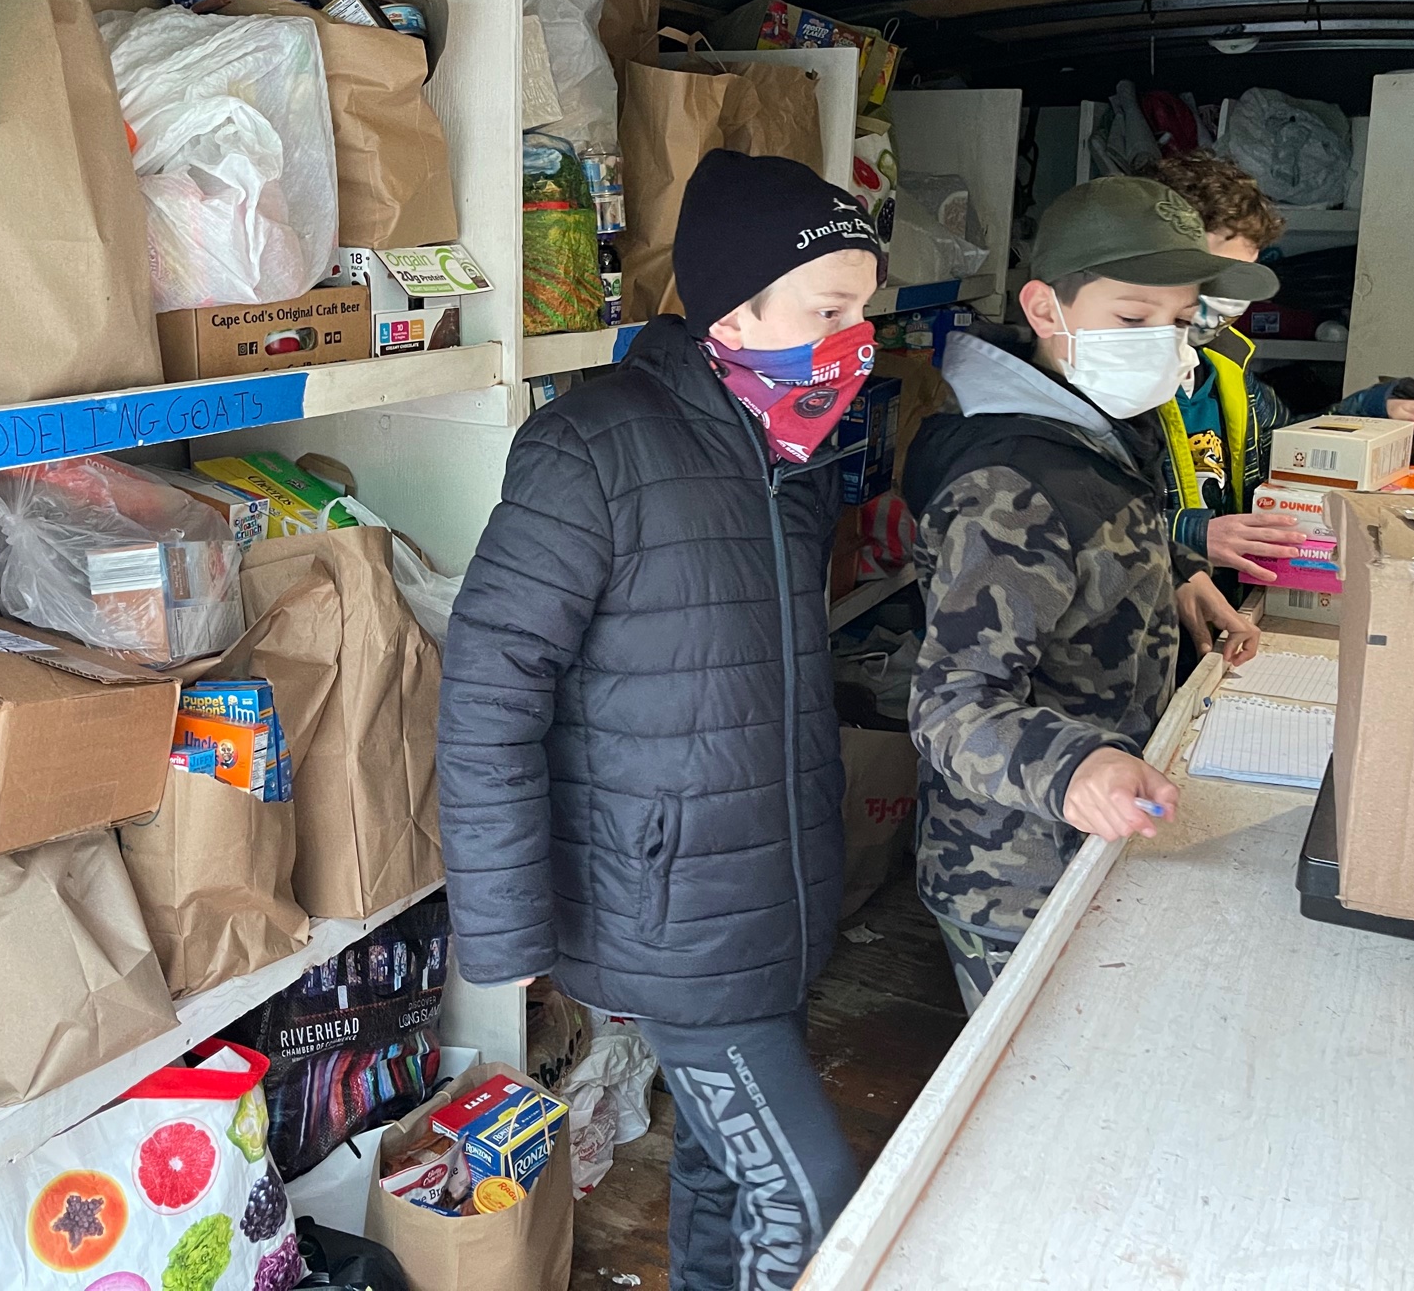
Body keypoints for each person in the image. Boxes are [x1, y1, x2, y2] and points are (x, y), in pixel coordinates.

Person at [437, 150, 879, 1291]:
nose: (854, 339)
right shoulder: (593, 447)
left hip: (764, 893)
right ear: (739, 307)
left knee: (732, 1173)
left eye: (862, 312)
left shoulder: (788, 455)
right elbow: (490, 692)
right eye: (830, 310)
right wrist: (505, 936)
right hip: (667, 907)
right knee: (812, 1192)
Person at [903, 177, 1265, 1012]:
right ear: (1043, 308)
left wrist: (1175, 578)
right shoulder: (1009, 485)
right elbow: (952, 707)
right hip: (1015, 871)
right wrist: (1076, 766)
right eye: (1134, 319)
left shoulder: (1082, 424)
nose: (1166, 346)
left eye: (1181, 322)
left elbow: (1080, 550)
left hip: (1092, 831)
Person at [1147, 149, 1414, 582]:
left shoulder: (1225, 369)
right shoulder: (1110, 387)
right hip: (1149, 616)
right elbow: (1081, 527)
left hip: (1225, 609)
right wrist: (1191, 535)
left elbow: (1284, 447)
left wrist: (1370, 414)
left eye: (1247, 279)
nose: (1234, 300)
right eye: (1220, 274)